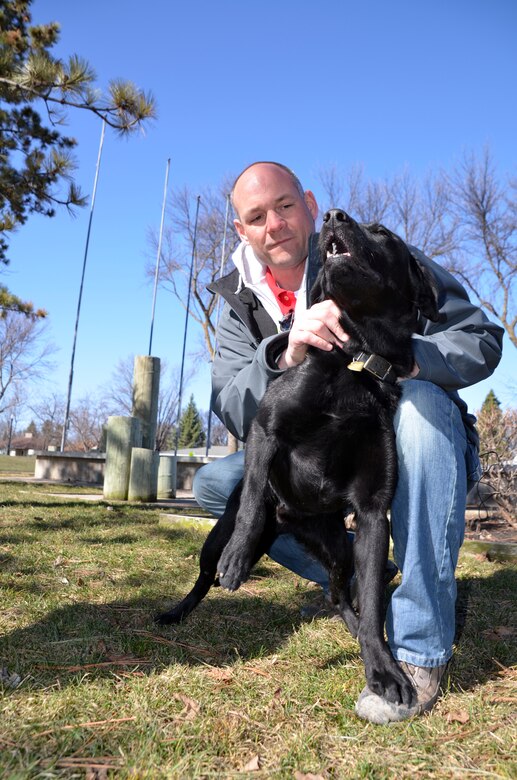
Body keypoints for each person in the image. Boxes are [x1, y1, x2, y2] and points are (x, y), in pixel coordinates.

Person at [193, 161, 504, 724]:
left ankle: (417, 650)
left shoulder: (363, 248)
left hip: (407, 441)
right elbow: (233, 403)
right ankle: (358, 582)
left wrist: (411, 361)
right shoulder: (238, 300)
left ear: (308, 204)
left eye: (286, 206)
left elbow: (480, 336)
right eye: (256, 217)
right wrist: (285, 354)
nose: (275, 225)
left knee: (423, 410)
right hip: (319, 459)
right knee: (218, 484)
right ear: (241, 229)